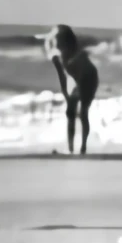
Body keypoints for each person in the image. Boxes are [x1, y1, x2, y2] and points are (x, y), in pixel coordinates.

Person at [44, 24, 99, 156]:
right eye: (54, 39)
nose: (55, 41)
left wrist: (77, 93)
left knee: (83, 111)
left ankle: (83, 148)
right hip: (78, 80)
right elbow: (62, 77)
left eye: (58, 38)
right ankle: (70, 148)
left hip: (90, 78)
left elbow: (83, 72)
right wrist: (66, 95)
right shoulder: (57, 57)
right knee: (70, 112)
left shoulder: (76, 54)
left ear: (65, 40)